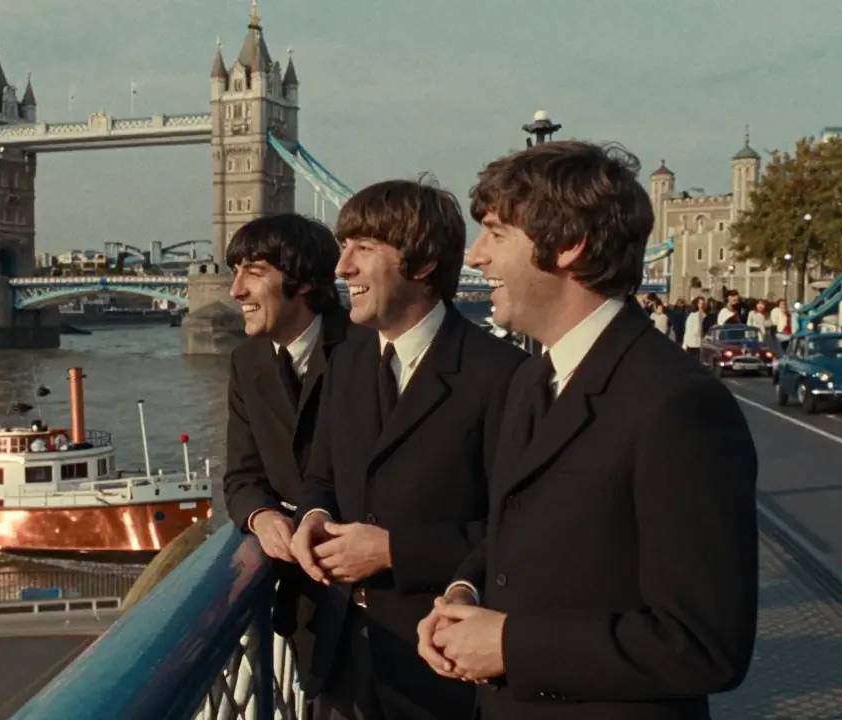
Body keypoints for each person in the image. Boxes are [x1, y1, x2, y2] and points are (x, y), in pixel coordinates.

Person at [417, 140, 758, 720]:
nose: (475, 257)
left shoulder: (679, 406)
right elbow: (511, 538)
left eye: (497, 233)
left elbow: (705, 645)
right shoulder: (531, 379)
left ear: (568, 246)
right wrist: (462, 594)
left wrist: (508, 644)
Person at [289, 179, 527, 719]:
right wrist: (314, 518)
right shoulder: (345, 362)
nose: (340, 267)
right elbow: (321, 478)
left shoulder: (503, 376)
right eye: (342, 246)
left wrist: (394, 551)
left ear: (421, 264)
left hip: (441, 669)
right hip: (340, 659)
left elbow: (515, 532)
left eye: (363, 249)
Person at [222, 213, 352, 698]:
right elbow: (241, 476)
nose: (235, 290)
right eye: (234, 271)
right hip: (307, 614)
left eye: (253, 272)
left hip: (380, 604)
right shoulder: (246, 362)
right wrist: (261, 517)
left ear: (300, 281)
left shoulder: (367, 348)